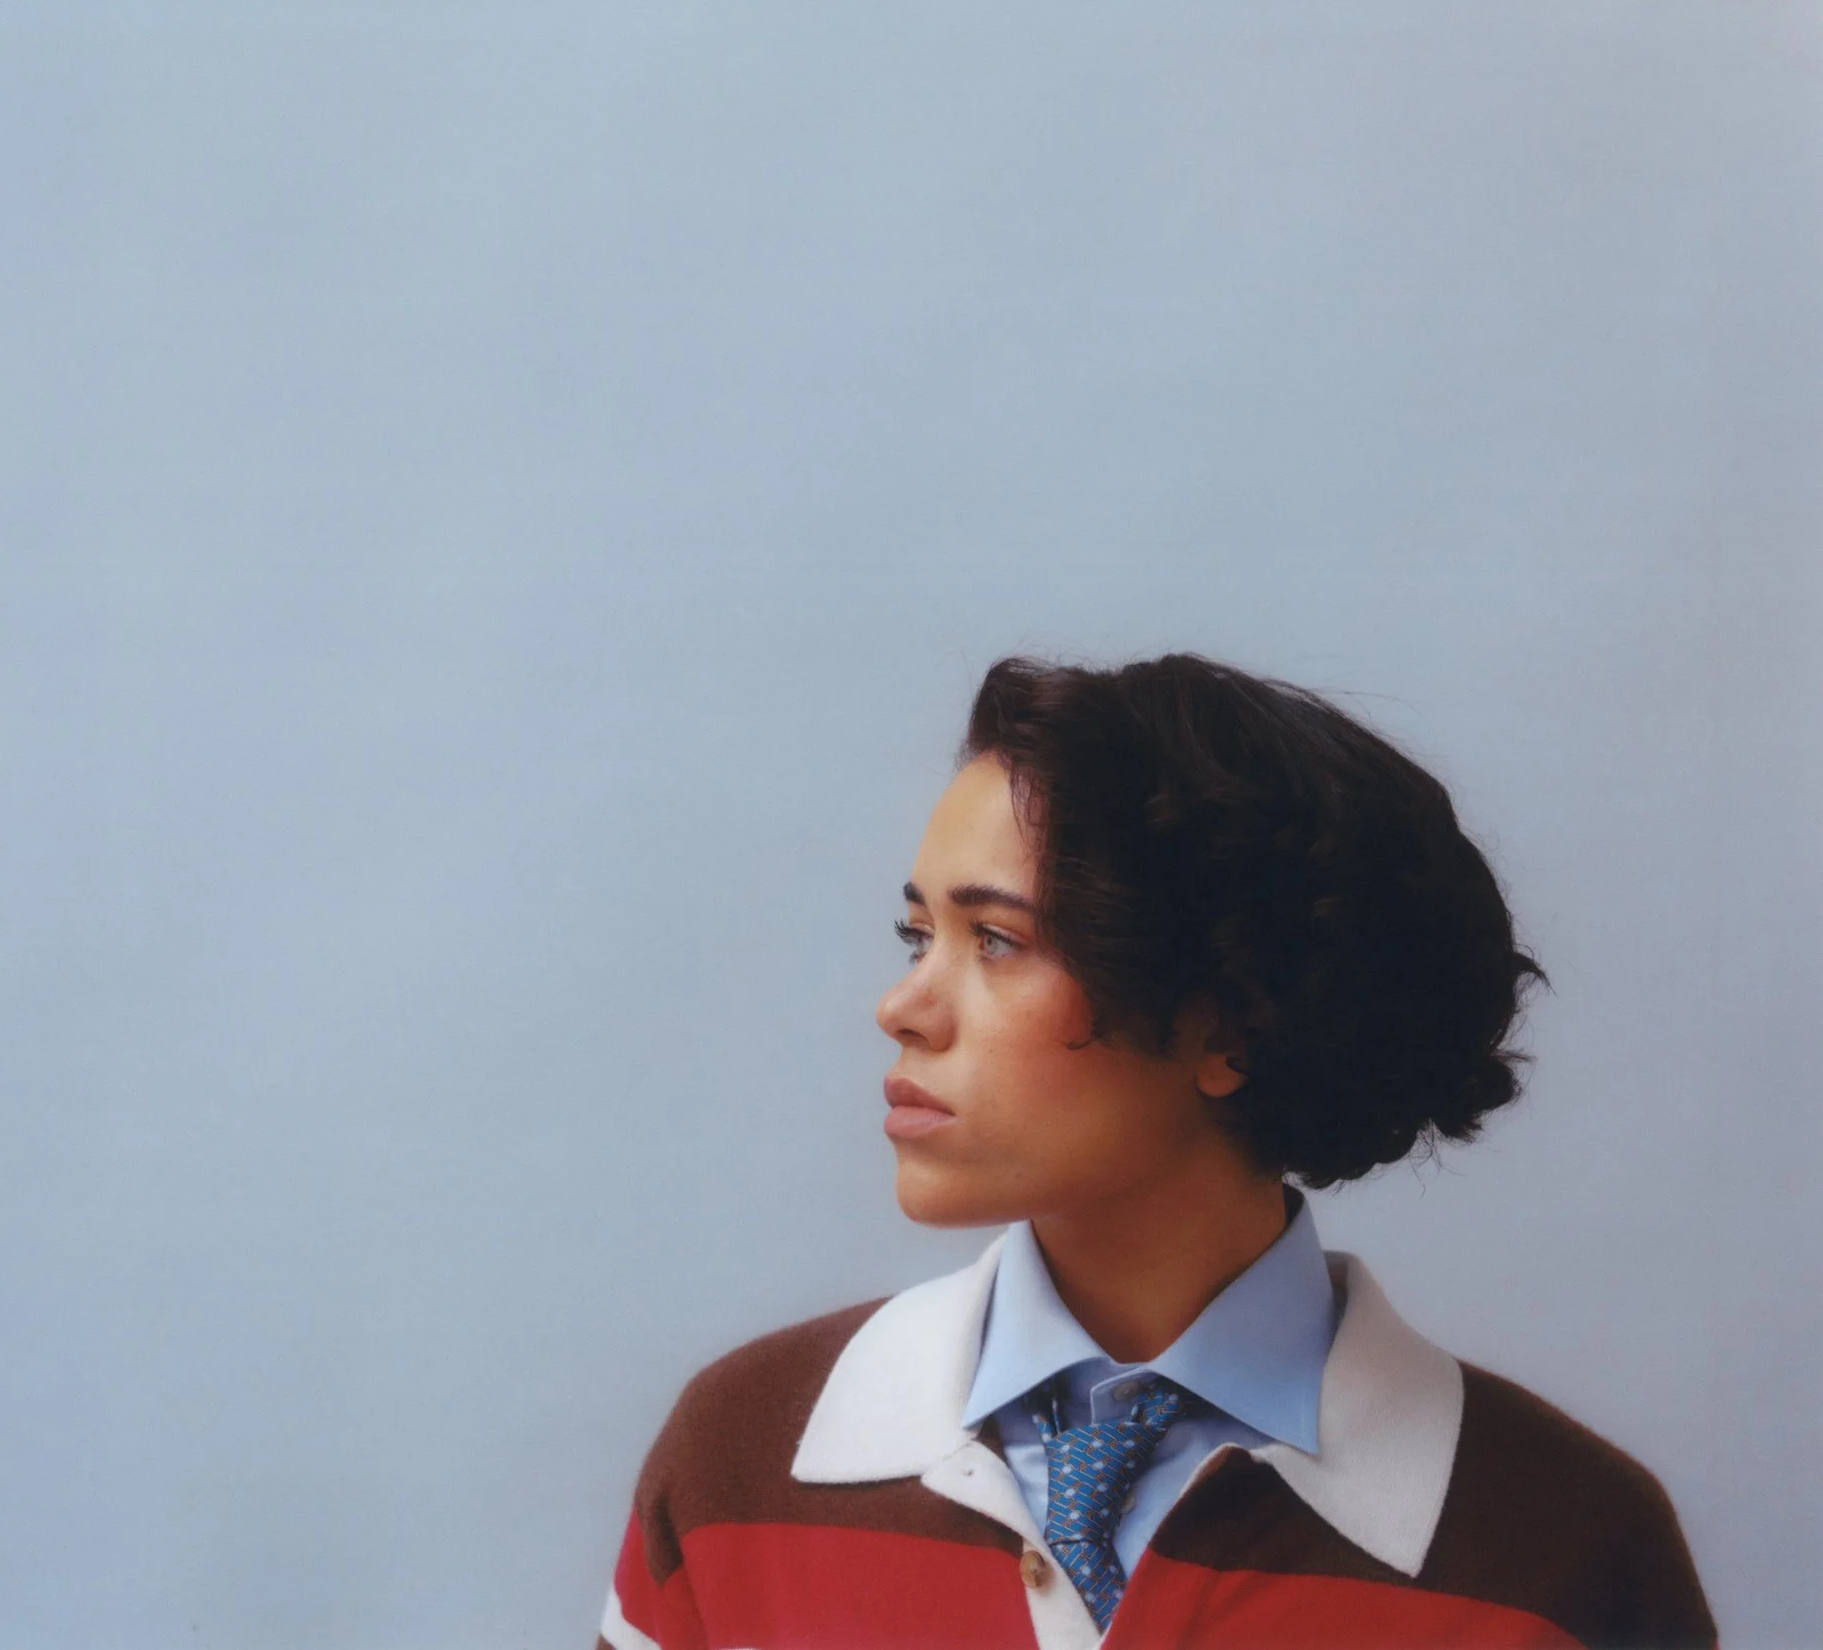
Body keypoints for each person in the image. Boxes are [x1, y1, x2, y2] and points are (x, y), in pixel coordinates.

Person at [595, 654, 1714, 1650]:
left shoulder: (1565, 1545)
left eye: (997, 940)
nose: (902, 1006)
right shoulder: (740, 1458)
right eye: (917, 934)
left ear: (1230, 1026)